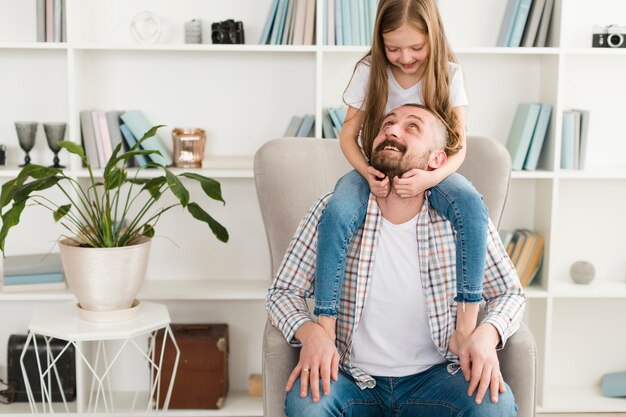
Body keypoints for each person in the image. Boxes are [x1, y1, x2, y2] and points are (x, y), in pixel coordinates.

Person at [266, 104, 525, 417]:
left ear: (437, 160)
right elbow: (283, 291)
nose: (391, 130)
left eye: (412, 127)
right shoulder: (332, 211)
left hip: (438, 379)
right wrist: (312, 334)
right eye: (387, 124)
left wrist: (486, 334)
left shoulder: (459, 220)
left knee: (494, 407)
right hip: (350, 378)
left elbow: (509, 293)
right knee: (307, 404)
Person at [315, 0, 488, 355]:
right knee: (336, 212)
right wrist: (366, 171)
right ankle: (325, 325)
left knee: (471, 205)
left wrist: (429, 179)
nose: (405, 57)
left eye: (416, 48)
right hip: (374, 167)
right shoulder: (369, 70)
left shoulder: (448, 73)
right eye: (393, 48)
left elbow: (459, 148)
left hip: (432, 171)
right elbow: (348, 136)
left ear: (433, 39)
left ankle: (466, 323)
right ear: (380, 41)